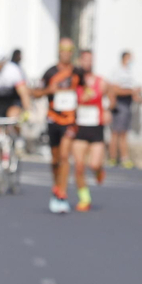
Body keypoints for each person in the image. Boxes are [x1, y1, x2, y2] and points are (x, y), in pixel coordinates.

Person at [32, 38, 81, 214]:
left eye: (69, 50)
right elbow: (35, 92)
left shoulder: (77, 72)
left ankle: (63, 193)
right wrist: (48, 91)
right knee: (55, 159)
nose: (66, 53)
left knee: (64, 156)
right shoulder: (50, 72)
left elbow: (87, 90)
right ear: (59, 51)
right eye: (63, 49)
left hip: (70, 120)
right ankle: (56, 186)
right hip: (53, 119)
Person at [69, 49, 107, 211]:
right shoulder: (74, 81)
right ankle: (84, 198)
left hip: (96, 128)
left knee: (94, 164)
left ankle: (99, 171)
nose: (88, 63)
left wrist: (109, 111)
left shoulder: (101, 81)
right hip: (80, 127)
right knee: (79, 166)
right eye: (85, 60)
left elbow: (111, 99)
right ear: (80, 61)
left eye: (91, 60)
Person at [107, 50, 141, 169]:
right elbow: (115, 90)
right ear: (124, 58)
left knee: (123, 133)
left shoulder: (129, 72)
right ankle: (114, 158)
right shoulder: (118, 71)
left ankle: (122, 158)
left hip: (127, 104)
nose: (131, 61)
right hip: (119, 104)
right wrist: (132, 91)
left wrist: (137, 96)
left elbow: (130, 89)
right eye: (129, 58)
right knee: (116, 133)